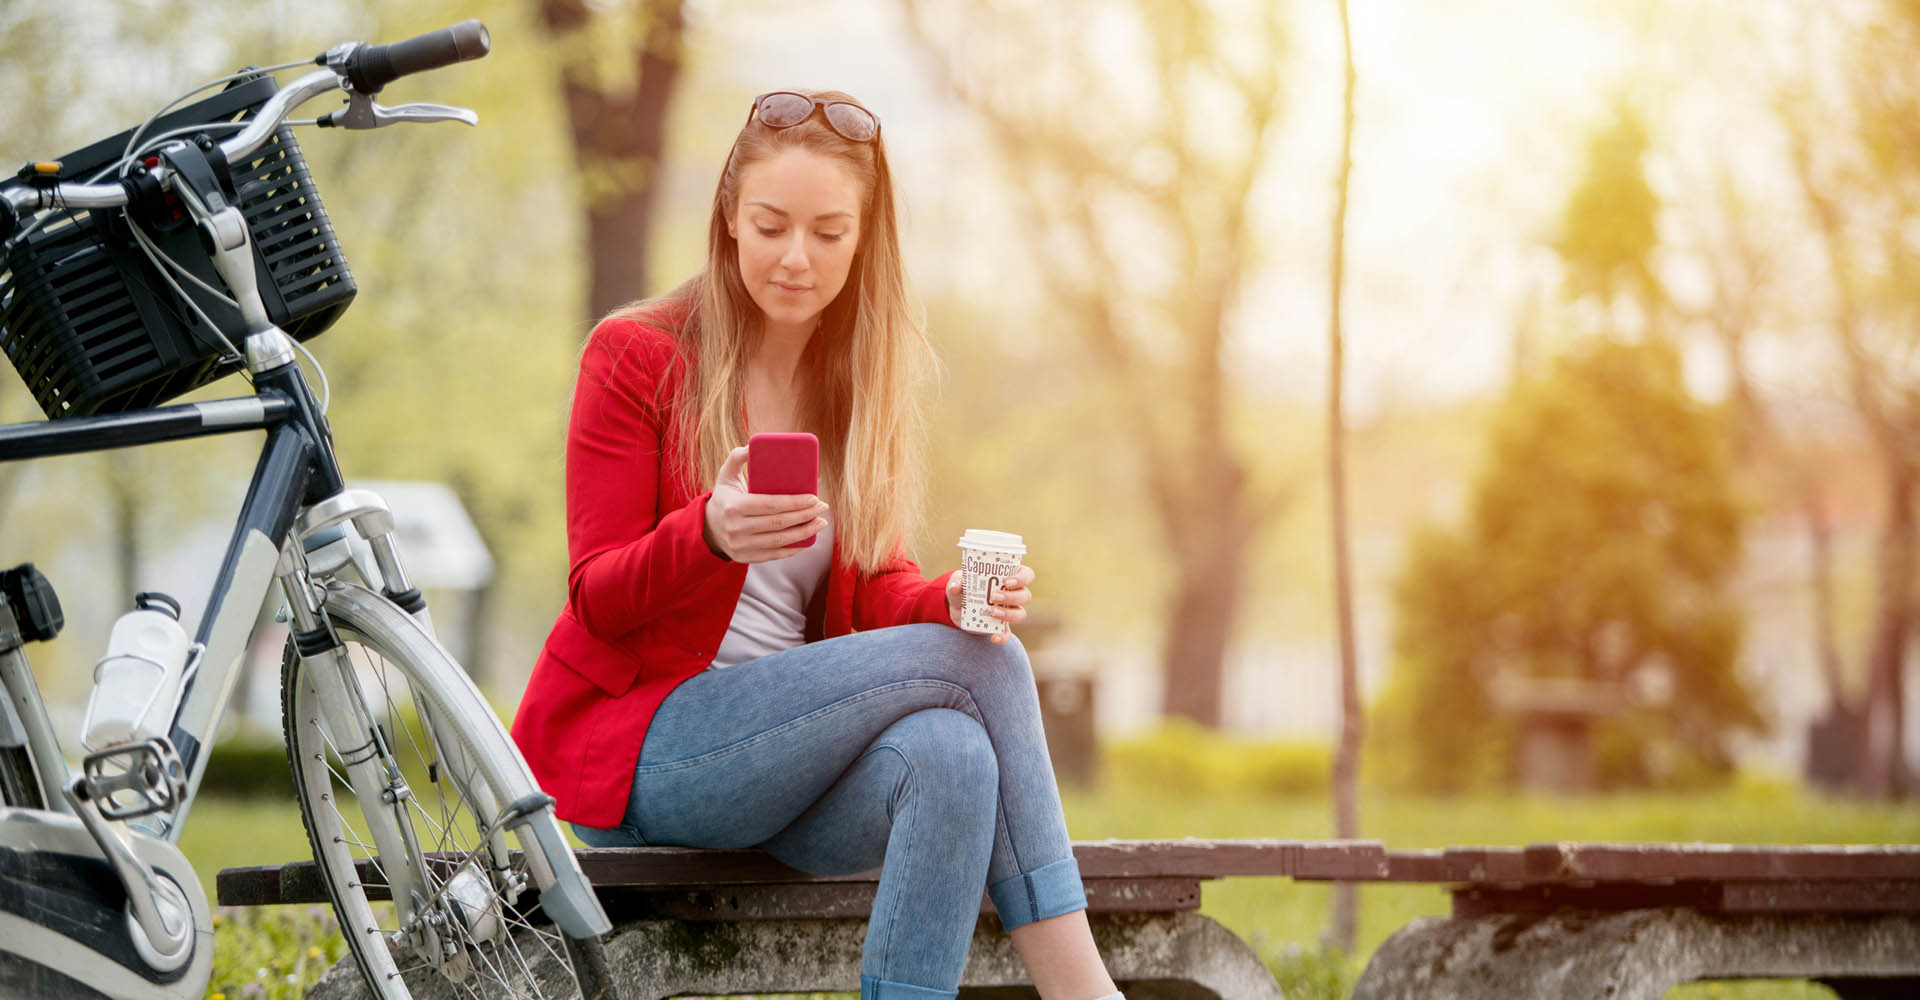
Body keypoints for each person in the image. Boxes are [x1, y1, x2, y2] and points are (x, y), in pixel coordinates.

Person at [510, 90, 1125, 1000]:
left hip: (794, 767)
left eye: (829, 233)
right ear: (728, 219)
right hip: (657, 752)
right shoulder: (635, 355)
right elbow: (596, 594)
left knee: (954, 755)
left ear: (865, 239)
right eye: (770, 226)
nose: (796, 258)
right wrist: (707, 535)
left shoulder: (858, 382)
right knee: (988, 670)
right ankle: (1083, 990)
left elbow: (870, 589)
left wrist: (948, 601)